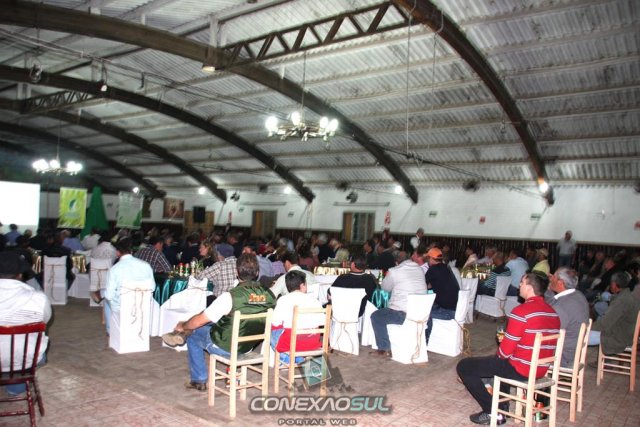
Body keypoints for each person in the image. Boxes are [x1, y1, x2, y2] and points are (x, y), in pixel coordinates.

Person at [456, 273, 560, 425]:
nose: (519, 285)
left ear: (530, 287)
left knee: (465, 366)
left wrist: (504, 344)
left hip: (522, 369)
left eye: (522, 282)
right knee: (500, 364)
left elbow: (504, 353)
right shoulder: (553, 313)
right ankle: (502, 408)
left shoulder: (521, 312)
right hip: (541, 368)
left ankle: (492, 411)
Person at [163, 253, 276, 391]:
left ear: (236, 272)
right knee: (213, 322)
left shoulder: (230, 296)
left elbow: (200, 320)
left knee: (194, 331)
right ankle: (183, 332)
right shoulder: (270, 296)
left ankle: (198, 379)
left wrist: (183, 325)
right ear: (257, 273)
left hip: (226, 346)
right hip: (248, 346)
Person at [0, 251, 52, 396]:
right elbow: (44, 321)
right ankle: (14, 387)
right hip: (23, 361)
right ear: (20, 275)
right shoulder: (37, 298)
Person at [370, 245, 427, 356]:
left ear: (396, 262)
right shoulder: (419, 269)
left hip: (403, 314)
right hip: (421, 313)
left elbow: (385, 288)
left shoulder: (394, 271)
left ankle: (384, 348)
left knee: (376, 316)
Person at [104, 238, 155, 335]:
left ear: (117, 253)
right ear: (132, 251)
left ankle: (110, 330)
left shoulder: (114, 269)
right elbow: (152, 287)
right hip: (141, 304)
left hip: (122, 307)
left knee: (106, 299)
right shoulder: (146, 265)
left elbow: (109, 295)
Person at [271, 270, 324, 363]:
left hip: (292, 344)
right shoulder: (314, 300)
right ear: (302, 285)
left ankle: (291, 359)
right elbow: (323, 321)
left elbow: (275, 322)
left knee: (272, 332)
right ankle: (300, 360)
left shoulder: (283, 300)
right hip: (312, 343)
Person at [545, 267, 589, 367]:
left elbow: (549, 332)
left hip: (563, 356)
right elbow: (553, 302)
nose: (550, 279)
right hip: (574, 350)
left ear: (560, 283)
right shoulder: (578, 295)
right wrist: (550, 288)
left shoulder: (562, 307)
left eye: (553, 277)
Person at [589, 271, 640, 353]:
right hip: (623, 334)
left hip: (618, 338)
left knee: (578, 335)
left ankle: (574, 359)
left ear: (613, 284)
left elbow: (604, 324)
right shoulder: (626, 295)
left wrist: (586, 327)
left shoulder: (622, 301)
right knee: (603, 297)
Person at [423, 247, 459, 344]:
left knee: (423, 314)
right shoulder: (446, 268)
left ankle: (424, 341)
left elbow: (422, 285)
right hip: (456, 309)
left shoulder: (433, 269)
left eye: (428, 258)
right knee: (429, 307)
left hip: (447, 312)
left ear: (431, 259)